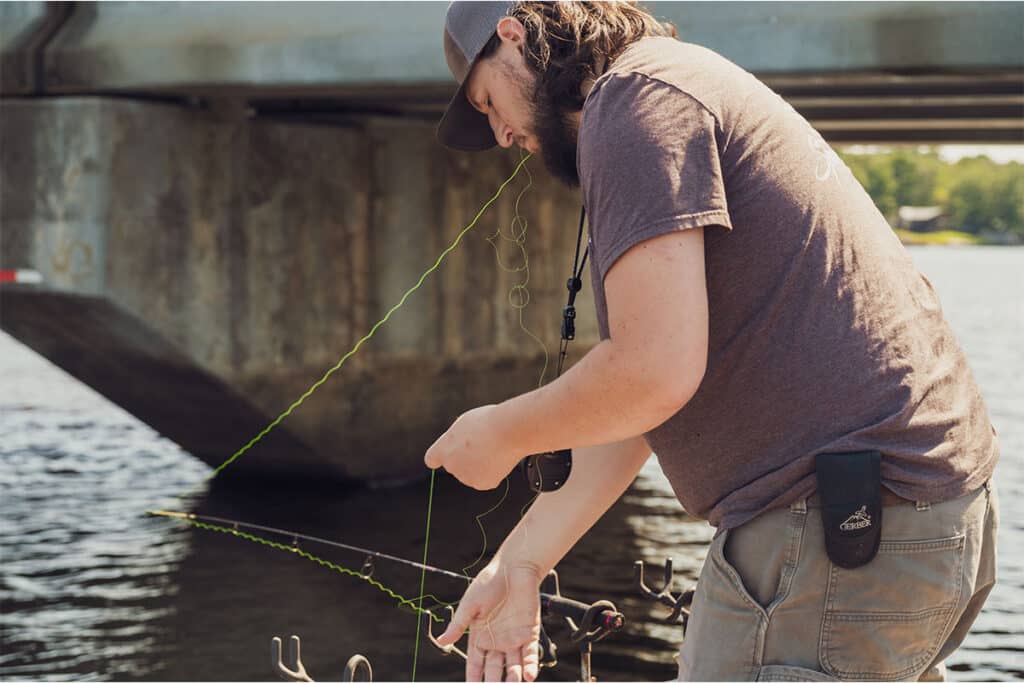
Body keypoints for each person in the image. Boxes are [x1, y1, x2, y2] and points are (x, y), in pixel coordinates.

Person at [422, 2, 1000, 681]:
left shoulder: (634, 103)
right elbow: (644, 405)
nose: (499, 133)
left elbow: (651, 371)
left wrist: (501, 432)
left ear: (513, 33)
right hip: (912, 523)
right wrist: (520, 562)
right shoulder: (670, 84)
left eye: (488, 102)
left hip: (845, 530)